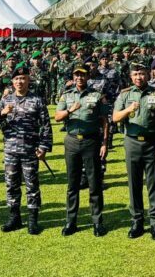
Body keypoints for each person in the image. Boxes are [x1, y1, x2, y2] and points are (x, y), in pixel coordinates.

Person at [0, 63, 53, 235]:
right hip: (10, 150)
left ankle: (33, 220)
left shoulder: (37, 100)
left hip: (30, 150)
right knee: (11, 184)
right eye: (17, 79)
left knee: (32, 184)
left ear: (28, 80)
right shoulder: (5, 100)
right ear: (12, 82)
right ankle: (14, 218)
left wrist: (43, 147)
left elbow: (46, 126)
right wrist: (2, 113)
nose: (20, 82)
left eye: (23, 78)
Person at [113, 62, 155, 241]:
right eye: (136, 74)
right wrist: (128, 109)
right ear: (131, 76)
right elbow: (115, 118)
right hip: (132, 143)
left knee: (153, 183)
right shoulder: (125, 94)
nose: (139, 77)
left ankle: (154, 222)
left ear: (148, 74)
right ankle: (137, 220)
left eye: (142, 73)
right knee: (134, 183)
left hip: (152, 143)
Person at [54, 64, 109, 237]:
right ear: (73, 76)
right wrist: (70, 110)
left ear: (87, 77)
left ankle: (97, 222)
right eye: (76, 75)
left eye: (82, 75)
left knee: (94, 184)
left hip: (91, 141)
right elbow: (57, 117)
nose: (79, 78)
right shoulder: (67, 95)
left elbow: (105, 121)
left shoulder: (96, 95)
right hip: (71, 142)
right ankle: (71, 221)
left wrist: (105, 143)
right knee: (73, 184)